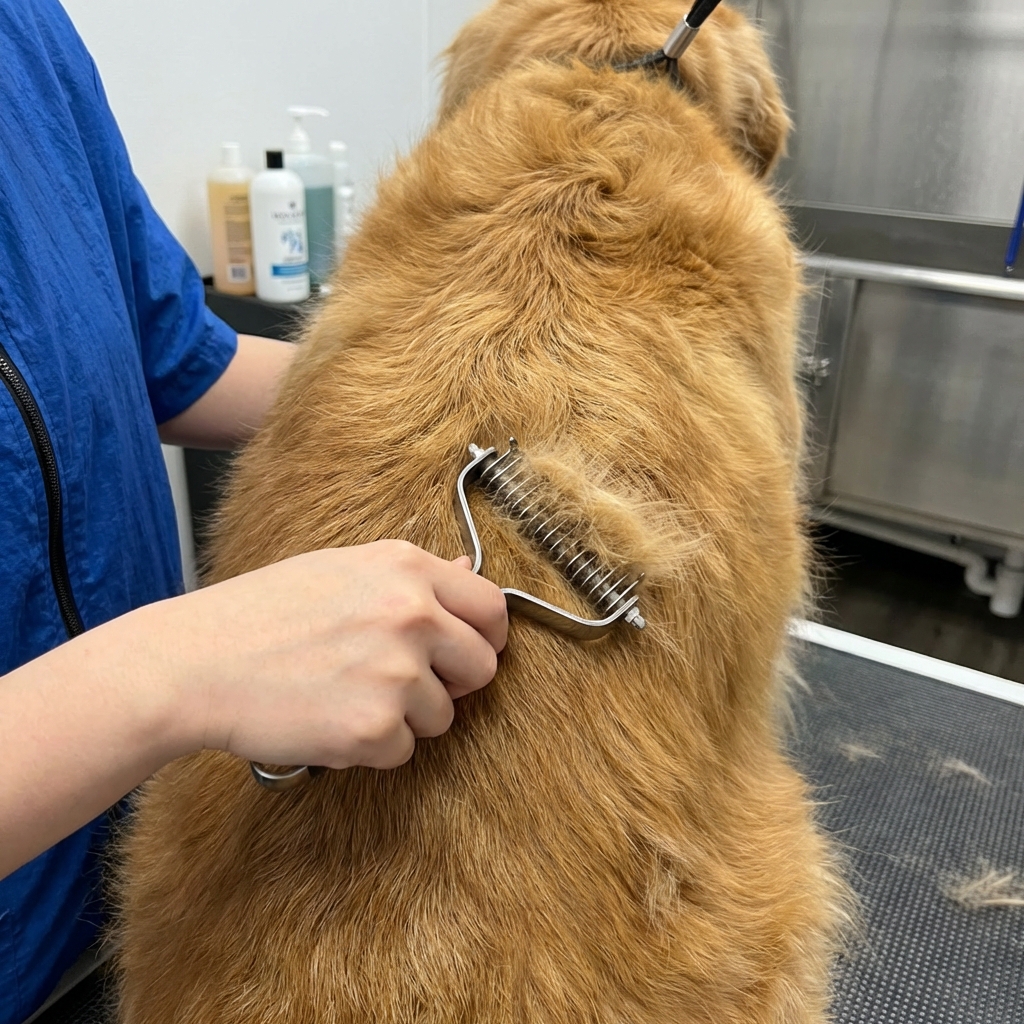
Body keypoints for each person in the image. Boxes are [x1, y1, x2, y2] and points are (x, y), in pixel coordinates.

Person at [0, 1, 508, 1020]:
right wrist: (177, 669)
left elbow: (178, 363)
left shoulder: (28, 33)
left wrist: (463, 397)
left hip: (143, 878)